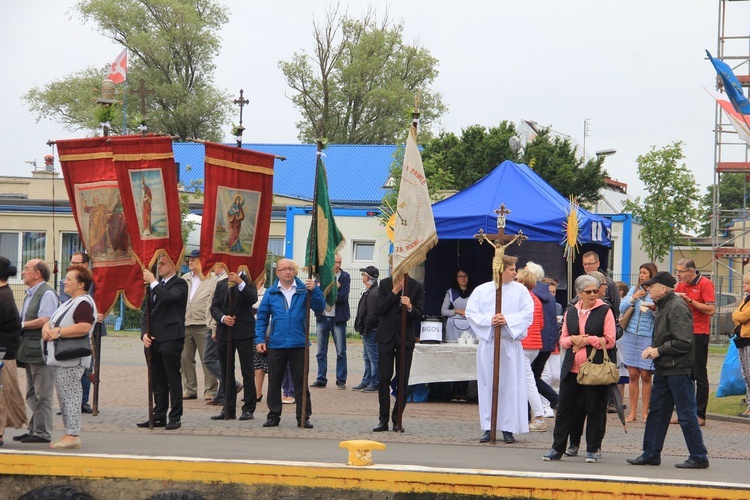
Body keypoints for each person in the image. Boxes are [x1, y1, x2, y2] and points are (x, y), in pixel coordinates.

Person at [627, 271, 710, 469]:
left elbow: (683, 342)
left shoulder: (677, 307)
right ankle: (651, 453)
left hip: (678, 369)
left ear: (663, 289)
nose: (648, 289)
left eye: (652, 286)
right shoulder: (665, 306)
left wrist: (657, 350)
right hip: (665, 368)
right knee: (657, 411)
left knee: (686, 413)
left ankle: (699, 456)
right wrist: (656, 351)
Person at [543, 274, 616, 463]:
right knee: (565, 409)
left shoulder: (605, 310)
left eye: (595, 290)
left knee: (595, 409)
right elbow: (563, 339)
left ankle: (592, 448)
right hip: (572, 369)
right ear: (579, 293)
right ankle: (557, 447)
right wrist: (574, 340)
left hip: (595, 369)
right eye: (588, 292)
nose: (593, 295)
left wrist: (585, 339)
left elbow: (610, 340)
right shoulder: (571, 311)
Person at [466, 255, 533, 444]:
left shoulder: (520, 291)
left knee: (509, 386)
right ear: (500, 270)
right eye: (512, 269)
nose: (515, 272)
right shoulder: (482, 290)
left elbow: (528, 314)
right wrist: (490, 320)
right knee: (489, 385)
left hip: (509, 343)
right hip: (489, 343)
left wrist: (508, 320)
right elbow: (471, 313)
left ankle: (508, 427)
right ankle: (489, 426)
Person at [255, 259, 326, 428]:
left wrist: (315, 290)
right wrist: (259, 339)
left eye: (290, 269)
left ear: (294, 271)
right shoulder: (271, 293)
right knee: (274, 381)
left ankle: (303, 416)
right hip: (276, 343)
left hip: (298, 343)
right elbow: (262, 317)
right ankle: (273, 415)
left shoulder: (304, 289)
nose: (287, 272)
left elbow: (319, 307)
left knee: (300, 381)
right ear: (277, 272)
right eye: (283, 269)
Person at [41, 264, 97, 449]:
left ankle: (73, 434)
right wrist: (47, 330)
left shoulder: (83, 302)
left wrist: (58, 333)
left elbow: (84, 327)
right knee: (64, 397)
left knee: (71, 396)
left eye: (69, 279)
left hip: (71, 360)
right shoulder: (69, 302)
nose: (65, 281)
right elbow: (50, 321)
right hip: (60, 359)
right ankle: (68, 433)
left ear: (81, 284)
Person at [373, 255, 425, 432]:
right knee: (383, 378)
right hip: (386, 337)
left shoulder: (417, 287)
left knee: (403, 379)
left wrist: (410, 307)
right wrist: (394, 292)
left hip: (405, 339)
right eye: (394, 265)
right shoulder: (385, 284)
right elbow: (379, 310)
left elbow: (419, 315)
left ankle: (397, 419)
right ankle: (383, 419)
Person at [137, 255, 188, 430]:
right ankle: (159, 414)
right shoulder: (154, 286)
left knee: (172, 378)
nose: (159, 266)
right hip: (153, 338)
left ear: (174, 266)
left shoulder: (180, 284)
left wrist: (153, 282)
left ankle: (175, 416)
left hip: (171, 337)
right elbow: (147, 312)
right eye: (158, 263)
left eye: (163, 263)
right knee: (157, 379)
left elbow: (167, 298)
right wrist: (144, 333)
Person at [14, 259, 58, 444]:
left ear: (37, 273)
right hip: (30, 350)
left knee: (43, 393)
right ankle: (34, 429)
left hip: (41, 350)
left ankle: (43, 432)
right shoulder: (30, 294)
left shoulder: (46, 293)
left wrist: (20, 324)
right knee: (32, 393)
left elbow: (45, 319)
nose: (23, 272)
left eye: (27, 269)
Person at [58, 252, 105, 415]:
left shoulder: (95, 280)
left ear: (85, 265)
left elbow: (102, 298)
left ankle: (83, 401)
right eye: (71, 262)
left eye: (76, 263)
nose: (72, 265)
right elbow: (68, 303)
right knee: (71, 364)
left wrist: (100, 312)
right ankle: (68, 401)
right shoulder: (65, 282)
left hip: (94, 328)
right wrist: (93, 313)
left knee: (88, 365)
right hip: (74, 326)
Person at [210, 270, 257, 421]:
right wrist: (223, 318)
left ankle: (248, 408)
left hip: (244, 332)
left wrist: (239, 282)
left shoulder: (249, 281)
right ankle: (228, 408)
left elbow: (252, 298)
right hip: (225, 333)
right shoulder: (221, 284)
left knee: (247, 371)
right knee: (226, 371)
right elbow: (214, 306)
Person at [673, 258, 714, 426]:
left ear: (691, 271)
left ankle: (700, 414)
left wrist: (690, 301)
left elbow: (711, 309)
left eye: (681, 272)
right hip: (682, 333)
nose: (678, 275)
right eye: (677, 271)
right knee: (683, 374)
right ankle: (684, 412)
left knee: (698, 374)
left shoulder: (705, 283)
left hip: (699, 333)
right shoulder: (681, 285)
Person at [619, 263, 658, 423]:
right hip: (630, 336)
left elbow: (660, 315)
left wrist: (653, 308)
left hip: (646, 336)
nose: (641, 275)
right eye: (640, 272)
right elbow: (621, 308)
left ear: (651, 275)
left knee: (646, 375)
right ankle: (633, 412)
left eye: (644, 273)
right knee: (633, 374)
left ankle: (645, 412)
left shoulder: (655, 292)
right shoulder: (634, 290)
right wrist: (634, 298)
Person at [181, 249, 219, 401]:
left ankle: (210, 390)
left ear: (203, 261)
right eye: (190, 259)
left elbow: (214, 302)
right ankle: (190, 389)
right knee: (185, 358)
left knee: (207, 358)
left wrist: (213, 324)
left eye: (194, 259)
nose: (190, 262)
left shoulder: (212, 279)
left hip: (204, 324)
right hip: (186, 323)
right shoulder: (184, 278)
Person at [525, 262, 559, 417]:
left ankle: (555, 400)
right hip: (546, 342)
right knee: (530, 377)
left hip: (534, 342)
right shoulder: (547, 294)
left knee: (528, 378)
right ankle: (526, 414)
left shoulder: (531, 295)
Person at [312, 254, 351, 390]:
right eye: (335, 262)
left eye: (340, 262)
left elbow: (342, 298)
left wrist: (328, 290)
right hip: (322, 317)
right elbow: (317, 295)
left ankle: (341, 380)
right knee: (321, 351)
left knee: (341, 351)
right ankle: (321, 378)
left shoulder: (345, 277)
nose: (338, 265)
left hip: (338, 318)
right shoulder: (320, 276)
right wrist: (335, 288)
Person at [516, 269, 547, 432]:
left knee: (528, 382)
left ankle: (540, 417)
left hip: (523, 343)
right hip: (535, 344)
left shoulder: (522, 298)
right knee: (526, 380)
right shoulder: (536, 299)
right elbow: (541, 324)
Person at [0, 257, 27, 445]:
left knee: (2, 394)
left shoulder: (2, 295)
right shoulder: (5, 293)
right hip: (5, 351)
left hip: (2, 353)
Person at [440, 268, 475, 401]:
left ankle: (464, 392)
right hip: (453, 329)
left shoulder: (474, 292)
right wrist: (456, 311)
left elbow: (480, 309)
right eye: (460, 276)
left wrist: (469, 313)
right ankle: (455, 392)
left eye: (465, 276)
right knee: (455, 359)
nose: (463, 279)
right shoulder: (450, 292)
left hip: (470, 328)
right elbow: (443, 311)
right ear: (456, 279)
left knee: (467, 360)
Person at [353, 266, 381, 392]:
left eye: (363, 274)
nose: (362, 276)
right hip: (368, 329)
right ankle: (366, 380)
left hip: (371, 330)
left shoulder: (374, 293)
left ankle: (375, 382)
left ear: (368, 277)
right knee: (367, 357)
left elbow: (372, 314)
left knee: (373, 357)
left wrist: (366, 329)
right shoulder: (370, 291)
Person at [731, 272, 750, 418]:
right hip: (741, 339)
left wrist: (738, 317)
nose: (744, 285)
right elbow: (736, 314)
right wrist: (738, 317)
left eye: (747, 283)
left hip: (748, 339)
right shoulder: (745, 299)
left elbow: (743, 316)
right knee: (745, 374)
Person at [582, 251, 620, 318]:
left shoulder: (609, 283)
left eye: (590, 264)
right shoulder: (581, 282)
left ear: (598, 263)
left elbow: (616, 305)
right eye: (585, 264)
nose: (587, 267)